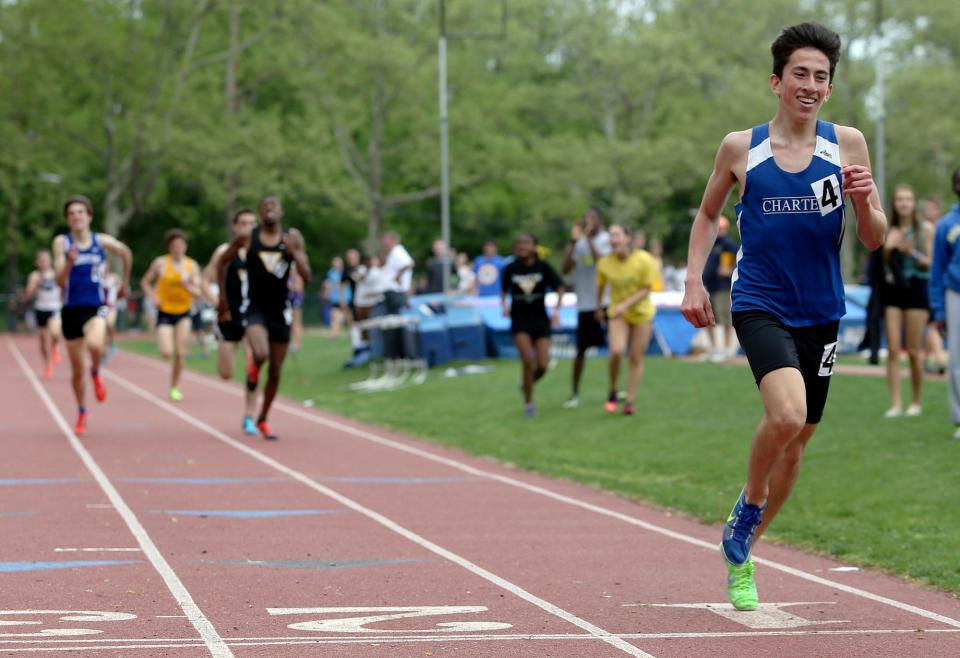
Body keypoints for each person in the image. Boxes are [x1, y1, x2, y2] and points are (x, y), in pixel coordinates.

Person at [680, 23, 886, 611]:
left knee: (797, 445)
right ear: (776, 81)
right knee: (787, 413)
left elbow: (875, 240)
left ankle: (744, 553)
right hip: (759, 301)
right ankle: (748, 503)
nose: (811, 84)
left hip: (821, 310)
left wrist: (868, 200)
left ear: (829, 88)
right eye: (800, 73)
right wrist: (693, 278)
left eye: (821, 76)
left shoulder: (847, 144)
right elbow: (706, 216)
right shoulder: (740, 147)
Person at [217, 196, 311, 440]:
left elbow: (307, 275)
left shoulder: (293, 238)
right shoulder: (249, 237)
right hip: (255, 308)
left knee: (276, 370)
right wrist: (222, 301)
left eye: (275, 206)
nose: (270, 208)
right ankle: (253, 367)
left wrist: (295, 255)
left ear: (281, 211)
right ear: (261, 212)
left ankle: (263, 418)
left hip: (280, 311)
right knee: (260, 354)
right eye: (266, 206)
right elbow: (223, 262)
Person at [53, 195, 133, 435]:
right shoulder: (62, 242)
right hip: (70, 311)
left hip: (94, 306)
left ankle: (97, 371)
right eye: (72, 213)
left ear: (89, 216)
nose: (76, 216)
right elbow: (59, 280)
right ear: (68, 219)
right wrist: (69, 262)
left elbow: (126, 253)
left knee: (96, 344)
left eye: (80, 212)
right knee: (77, 372)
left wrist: (124, 284)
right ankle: (82, 411)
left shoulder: (101, 241)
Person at [204, 208, 259, 435]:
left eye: (252, 223)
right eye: (243, 223)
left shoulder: (264, 251)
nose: (248, 227)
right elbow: (204, 280)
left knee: (253, 365)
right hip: (229, 317)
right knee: (226, 373)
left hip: (254, 316)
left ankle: (249, 416)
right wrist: (217, 302)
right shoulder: (225, 251)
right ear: (235, 226)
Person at [880, 184, 933, 417]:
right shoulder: (887, 228)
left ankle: (916, 401)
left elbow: (931, 263)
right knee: (892, 349)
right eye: (900, 199)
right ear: (894, 203)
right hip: (893, 290)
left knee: (912, 350)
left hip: (917, 288)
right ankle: (895, 404)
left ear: (914, 203)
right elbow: (879, 265)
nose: (904, 203)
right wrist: (888, 249)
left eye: (908, 199)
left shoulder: (926, 229)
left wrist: (910, 250)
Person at [501, 233, 565, 416]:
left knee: (543, 364)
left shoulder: (543, 267)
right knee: (527, 360)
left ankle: (526, 385)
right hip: (520, 320)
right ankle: (529, 402)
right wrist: (504, 306)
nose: (522, 247)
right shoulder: (510, 269)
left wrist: (556, 311)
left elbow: (559, 286)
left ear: (534, 247)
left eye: (527, 243)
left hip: (540, 320)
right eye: (520, 243)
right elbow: (504, 290)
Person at [596, 224, 657, 415]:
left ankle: (630, 401)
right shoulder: (605, 262)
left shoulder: (644, 259)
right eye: (611, 236)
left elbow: (647, 288)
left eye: (617, 235)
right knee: (616, 351)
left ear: (627, 237)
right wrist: (598, 307)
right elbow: (600, 286)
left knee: (635, 358)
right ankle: (613, 390)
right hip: (618, 313)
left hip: (642, 313)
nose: (613, 239)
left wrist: (626, 304)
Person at [140, 229, 204, 402]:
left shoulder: (192, 266)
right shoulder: (161, 263)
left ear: (185, 246)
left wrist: (188, 287)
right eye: (174, 245)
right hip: (165, 312)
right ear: (169, 247)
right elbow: (145, 282)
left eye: (181, 245)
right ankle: (170, 368)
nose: (178, 248)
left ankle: (175, 386)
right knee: (166, 352)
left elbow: (198, 292)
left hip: (184, 312)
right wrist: (153, 297)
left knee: (180, 353)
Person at [560, 207, 611, 409]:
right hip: (584, 304)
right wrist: (574, 242)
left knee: (614, 349)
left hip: (606, 302)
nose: (588, 222)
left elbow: (603, 263)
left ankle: (614, 390)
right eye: (586, 219)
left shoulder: (607, 239)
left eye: (592, 218)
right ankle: (574, 393)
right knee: (580, 350)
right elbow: (565, 269)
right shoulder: (578, 243)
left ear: (600, 220)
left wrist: (588, 239)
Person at [928, 167, 960, 439]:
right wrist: (938, 310)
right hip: (955, 294)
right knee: (957, 359)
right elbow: (937, 270)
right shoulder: (947, 225)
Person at [702, 216, 739, 361]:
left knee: (724, 318)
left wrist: (726, 270)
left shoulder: (727, 244)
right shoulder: (711, 243)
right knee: (708, 318)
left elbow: (726, 268)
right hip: (710, 285)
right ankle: (715, 348)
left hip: (722, 286)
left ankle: (727, 349)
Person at [22, 249, 62, 379]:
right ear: (37, 263)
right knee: (43, 343)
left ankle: (55, 347)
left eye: (46, 259)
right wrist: (36, 285)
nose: (44, 262)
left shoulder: (57, 274)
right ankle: (47, 363)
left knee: (55, 332)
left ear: (50, 260)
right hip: (40, 309)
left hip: (55, 308)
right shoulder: (35, 276)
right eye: (41, 260)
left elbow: (65, 288)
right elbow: (28, 295)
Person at [922, 196, 948, 374]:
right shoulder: (927, 227)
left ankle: (934, 359)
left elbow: (933, 260)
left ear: (938, 210)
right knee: (932, 322)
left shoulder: (940, 227)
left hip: (940, 281)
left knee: (933, 323)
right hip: (931, 280)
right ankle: (934, 359)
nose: (928, 211)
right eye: (926, 208)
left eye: (932, 208)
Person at [380, 232, 414, 359]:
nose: (384, 243)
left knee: (394, 323)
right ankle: (396, 354)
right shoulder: (394, 253)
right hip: (394, 292)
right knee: (393, 323)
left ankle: (397, 354)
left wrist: (398, 276)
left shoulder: (398, 251)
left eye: (386, 240)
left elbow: (409, 263)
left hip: (394, 292)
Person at [322, 256, 345, 339]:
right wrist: (326, 292)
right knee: (335, 316)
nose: (336, 264)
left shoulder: (344, 272)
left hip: (345, 297)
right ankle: (334, 334)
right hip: (334, 297)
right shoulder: (330, 272)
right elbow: (327, 284)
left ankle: (337, 333)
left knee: (346, 317)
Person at [288, 264, 306, 349]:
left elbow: (299, 289)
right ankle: (292, 343)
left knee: (296, 324)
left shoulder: (298, 278)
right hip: (290, 302)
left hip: (296, 302)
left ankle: (299, 344)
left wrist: (290, 287)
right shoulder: (288, 277)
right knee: (290, 324)